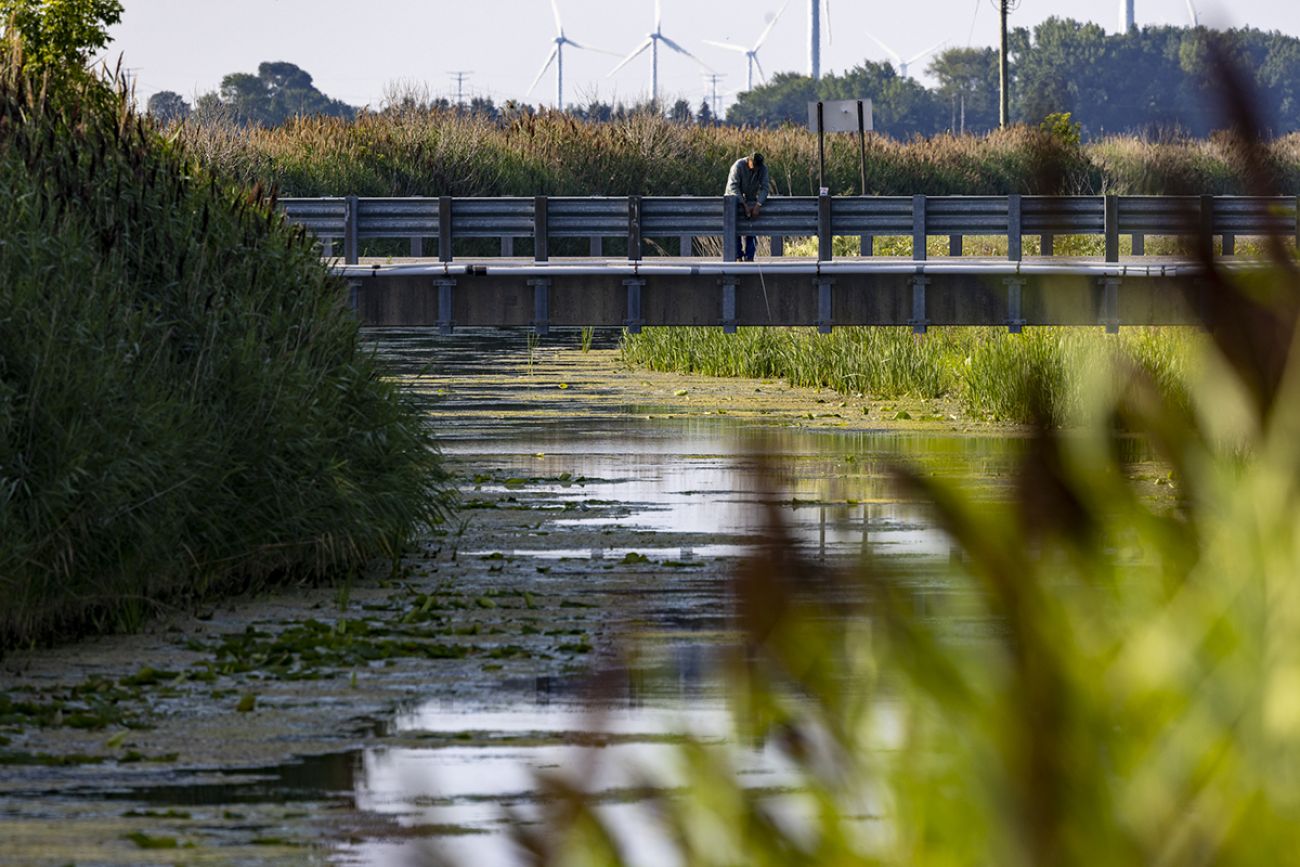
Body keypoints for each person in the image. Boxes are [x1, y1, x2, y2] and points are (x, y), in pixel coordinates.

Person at [725, 152, 769, 262]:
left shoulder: (762, 169)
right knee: (735, 229)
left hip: (751, 200)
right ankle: (737, 256)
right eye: (753, 166)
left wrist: (758, 205)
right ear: (748, 161)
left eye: (757, 167)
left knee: (751, 228)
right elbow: (733, 187)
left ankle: (750, 257)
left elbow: (765, 188)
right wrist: (743, 204)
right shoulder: (738, 166)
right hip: (734, 200)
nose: (755, 169)